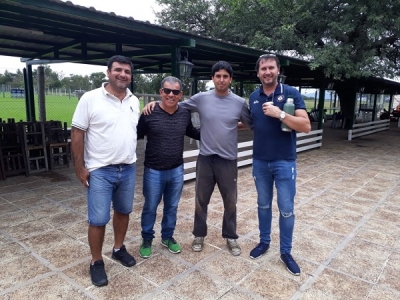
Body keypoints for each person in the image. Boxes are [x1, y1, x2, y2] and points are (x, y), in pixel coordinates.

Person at [143, 61, 252, 256]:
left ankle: (231, 237)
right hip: (206, 158)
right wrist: (154, 103)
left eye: (225, 76)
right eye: (217, 76)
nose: (221, 79)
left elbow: (250, 123)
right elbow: (172, 103)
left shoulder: (238, 102)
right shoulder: (201, 98)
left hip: (228, 159)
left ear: (230, 79)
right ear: (212, 78)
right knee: (201, 200)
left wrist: (231, 126)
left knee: (230, 201)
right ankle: (199, 234)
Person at [71, 55, 140, 287]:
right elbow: (77, 133)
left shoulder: (134, 100)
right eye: (118, 70)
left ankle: (118, 249)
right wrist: (80, 168)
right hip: (100, 170)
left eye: (127, 71)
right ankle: (96, 261)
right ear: (108, 72)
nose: (123, 75)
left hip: (128, 167)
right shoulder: (90, 98)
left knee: (123, 211)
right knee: (98, 219)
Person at [248, 54, 311, 275]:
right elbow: (250, 123)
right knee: (263, 205)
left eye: (271, 68)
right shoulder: (253, 97)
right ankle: (264, 242)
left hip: (285, 161)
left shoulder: (291, 93)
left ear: (278, 70)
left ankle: (286, 252)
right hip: (260, 161)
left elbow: (305, 126)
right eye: (263, 68)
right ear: (258, 73)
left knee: (286, 210)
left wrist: (281, 113)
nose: (267, 72)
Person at [137, 76, 200, 258]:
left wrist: (218, 132)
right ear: (161, 92)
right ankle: (147, 238)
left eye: (175, 92)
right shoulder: (149, 113)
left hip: (176, 170)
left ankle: (167, 237)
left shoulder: (184, 114)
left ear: (180, 95)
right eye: (167, 91)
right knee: (150, 206)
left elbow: (193, 132)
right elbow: (135, 134)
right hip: (153, 171)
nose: (170, 95)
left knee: (172, 207)